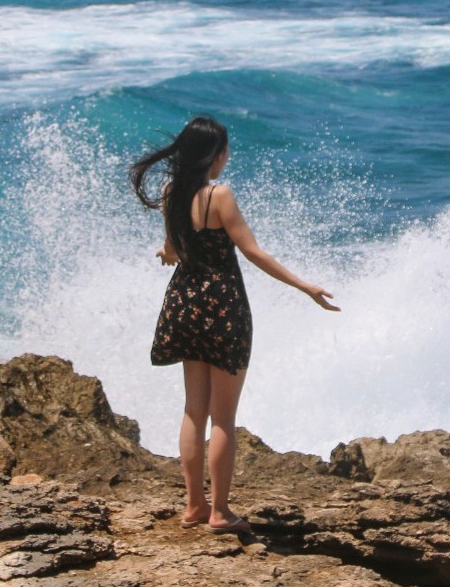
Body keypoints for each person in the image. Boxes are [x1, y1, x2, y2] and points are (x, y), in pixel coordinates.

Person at [130, 116, 338, 533]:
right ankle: (220, 513)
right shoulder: (218, 196)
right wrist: (304, 286)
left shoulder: (173, 193)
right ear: (214, 155)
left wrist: (167, 252)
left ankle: (193, 506)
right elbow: (253, 253)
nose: (227, 158)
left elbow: (173, 247)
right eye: (225, 151)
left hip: (183, 305)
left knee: (194, 409)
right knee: (222, 417)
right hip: (223, 308)